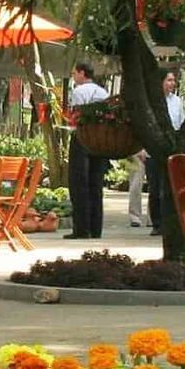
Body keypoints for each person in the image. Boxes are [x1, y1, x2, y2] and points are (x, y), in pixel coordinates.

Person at [65, 61, 110, 239]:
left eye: (75, 73)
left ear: (82, 73)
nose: (74, 77)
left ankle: (82, 228)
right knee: (96, 184)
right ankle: (96, 227)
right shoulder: (102, 92)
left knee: (79, 184)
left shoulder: (78, 91)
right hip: (101, 141)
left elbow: (76, 117)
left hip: (82, 138)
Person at [148, 70, 185, 236]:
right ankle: (157, 223)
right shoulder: (151, 101)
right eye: (168, 80)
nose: (172, 83)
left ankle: (171, 222)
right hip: (154, 148)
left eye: (173, 80)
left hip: (172, 147)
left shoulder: (177, 101)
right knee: (155, 187)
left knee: (171, 186)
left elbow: (181, 123)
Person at [126, 154, 147, 227]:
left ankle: (153, 218)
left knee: (155, 186)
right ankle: (134, 216)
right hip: (135, 152)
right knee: (135, 186)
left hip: (154, 152)